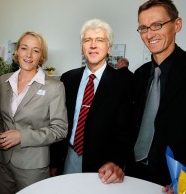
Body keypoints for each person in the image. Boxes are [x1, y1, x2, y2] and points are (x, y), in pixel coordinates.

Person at [127, 0, 186, 193]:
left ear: (177, 25)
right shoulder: (140, 74)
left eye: (157, 25)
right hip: (133, 174)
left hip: (178, 181)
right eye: (143, 28)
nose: (149, 34)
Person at [50, 19, 133, 184]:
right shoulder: (68, 79)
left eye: (100, 40)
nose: (93, 45)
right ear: (82, 47)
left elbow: (125, 129)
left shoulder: (123, 82)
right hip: (68, 157)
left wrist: (116, 162)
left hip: (103, 166)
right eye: (87, 40)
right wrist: (54, 162)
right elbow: (58, 121)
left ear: (109, 48)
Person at [0, 31, 68, 193]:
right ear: (17, 51)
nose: (29, 55)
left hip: (33, 167)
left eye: (36, 50)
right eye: (24, 48)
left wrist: (21, 136)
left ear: (42, 56)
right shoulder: (4, 81)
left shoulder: (54, 87)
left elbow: (60, 129)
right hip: (2, 161)